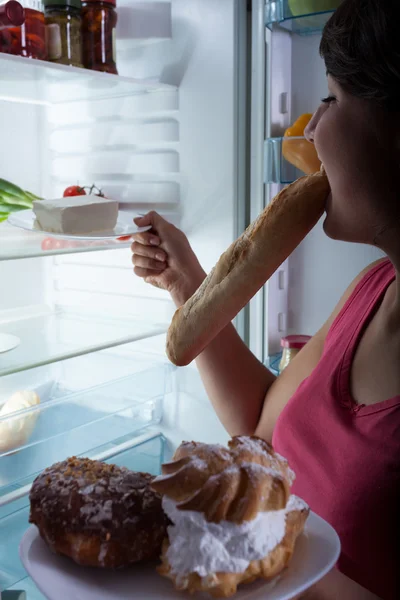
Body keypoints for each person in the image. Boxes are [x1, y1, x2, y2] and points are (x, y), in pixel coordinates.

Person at [131, 1, 399, 598]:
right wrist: (189, 285)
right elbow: (259, 427)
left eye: (330, 100)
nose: (309, 131)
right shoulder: (372, 292)